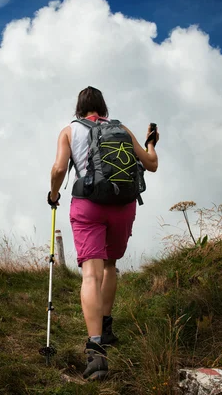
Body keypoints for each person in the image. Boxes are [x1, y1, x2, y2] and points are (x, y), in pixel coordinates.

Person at [48, 86, 159, 380]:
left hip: (88, 205)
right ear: (103, 107)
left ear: (79, 108)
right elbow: (151, 164)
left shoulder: (69, 131)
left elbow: (60, 168)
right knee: (110, 265)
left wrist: (54, 194)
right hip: (123, 204)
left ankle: (96, 351)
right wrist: (152, 144)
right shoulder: (120, 128)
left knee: (90, 275)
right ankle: (106, 326)